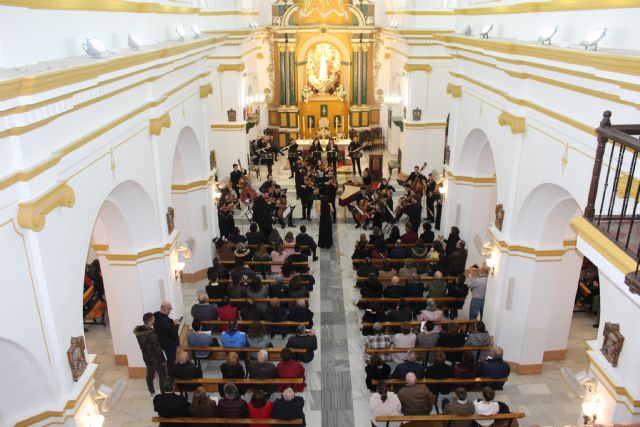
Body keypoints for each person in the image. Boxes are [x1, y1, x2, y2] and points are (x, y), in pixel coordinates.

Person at [133, 312, 168, 398]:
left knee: (150, 374)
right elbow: (157, 349)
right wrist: (163, 360)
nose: (154, 320)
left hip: (147, 358)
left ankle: (152, 393)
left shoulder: (140, 332)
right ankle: (163, 395)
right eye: (153, 319)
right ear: (149, 322)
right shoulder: (151, 335)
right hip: (156, 360)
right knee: (163, 376)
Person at [154, 302, 180, 368]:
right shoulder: (167, 321)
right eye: (169, 309)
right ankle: (171, 372)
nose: (170, 311)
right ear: (164, 308)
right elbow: (174, 333)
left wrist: (172, 324)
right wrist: (176, 325)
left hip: (160, 341)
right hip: (169, 343)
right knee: (171, 359)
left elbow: (164, 327)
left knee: (168, 357)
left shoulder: (155, 315)